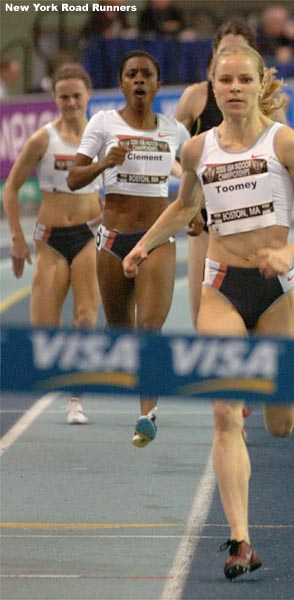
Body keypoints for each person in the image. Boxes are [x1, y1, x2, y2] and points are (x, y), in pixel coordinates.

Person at [122, 44, 294, 578]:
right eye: (226, 81)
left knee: (281, 423)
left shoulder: (285, 143)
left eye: (245, 80)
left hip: (277, 291)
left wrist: (290, 250)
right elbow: (186, 205)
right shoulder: (197, 150)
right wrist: (144, 244)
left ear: (259, 82)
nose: (235, 89)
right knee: (223, 414)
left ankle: (269, 424)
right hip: (220, 287)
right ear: (212, 87)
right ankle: (241, 540)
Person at [67, 50, 189, 447]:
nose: (139, 80)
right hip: (113, 241)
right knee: (120, 332)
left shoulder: (174, 132)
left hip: (156, 240)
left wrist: (199, 211)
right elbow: (72, 177)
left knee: (149, 330)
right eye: (131, 74)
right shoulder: (103, 123)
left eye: (146, 74)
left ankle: (146, 415)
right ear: (121, 84)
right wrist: (104, 164)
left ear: (157, 84)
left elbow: (197, 180)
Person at [3, 64, 102, 425]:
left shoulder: (102, 138)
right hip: (51, 239)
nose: (71, 103)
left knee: (85, 318)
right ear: (56, 99)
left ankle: (76, 397)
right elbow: (10, 188)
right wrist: (16, 239)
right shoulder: (43, 139)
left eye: (77, 96)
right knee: (44, 330)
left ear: (88, 95)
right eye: (64, 97)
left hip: (90, 234)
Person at [175, 18, 287, 329]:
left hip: (257, 226)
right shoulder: (195, 97)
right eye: (227, 51)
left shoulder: (267, 103)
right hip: (208, 224)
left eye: (242, 52)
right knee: (205, 320)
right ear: (214, 55)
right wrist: (190, 184)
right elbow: (173, 152)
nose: (235, 59)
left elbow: (286, 163)